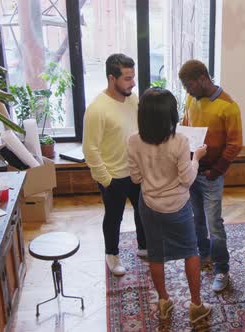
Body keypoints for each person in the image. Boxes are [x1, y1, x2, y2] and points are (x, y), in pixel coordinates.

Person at [128, 88, 212, 323]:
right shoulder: (180, 142)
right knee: (190, 251)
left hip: (150, 205)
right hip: (178, 207)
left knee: (156, 254)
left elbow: (135, 178)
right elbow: (187, 179)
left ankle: (164, 301)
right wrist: (197, 158)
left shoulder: (133, 141)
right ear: (171, 117)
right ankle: (196, 305)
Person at [178, 59, 243, 292]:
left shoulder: (228, 107)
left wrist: (215, 171)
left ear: (203, 79)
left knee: (214, 224)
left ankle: (222, 269)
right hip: (193, 169)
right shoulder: (190, 99)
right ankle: (203, 254)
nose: (186, 91)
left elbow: (235, 145)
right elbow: (186, 125)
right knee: (196, 218)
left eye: (189, 85)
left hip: (212, 175)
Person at [83, 53, 146, 276]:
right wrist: (106, 180)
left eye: (133, 77)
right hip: (113, 176)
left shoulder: (133, 99)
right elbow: (90, 150)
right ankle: (112, 255)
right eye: (127, 78)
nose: (133, 82)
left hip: (136, 171)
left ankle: (144, 247)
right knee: (114, 218)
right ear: (112, 78)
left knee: (142, 212)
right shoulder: (97, 109)